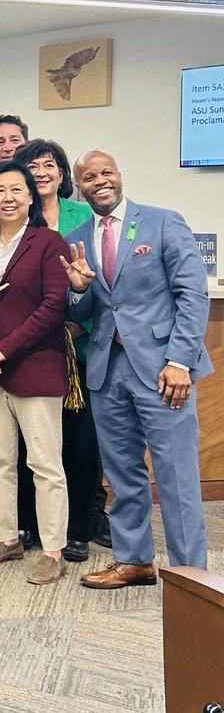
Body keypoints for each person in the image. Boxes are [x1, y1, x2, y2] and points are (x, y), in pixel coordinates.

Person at [61, 151, 214, 586]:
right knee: (123, 472)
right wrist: (77, 291)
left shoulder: (162, 222)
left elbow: (192, 296)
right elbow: (88, 307)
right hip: (108, 370)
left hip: (165, 371)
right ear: (80, 187)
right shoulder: (75, 237)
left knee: (176, 477)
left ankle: (191, 576)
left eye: (106, 173)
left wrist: (180, 362)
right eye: (89, 177)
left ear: (119, 177)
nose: (99, 181)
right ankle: (135, 559)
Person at [0, 161, 70, 585]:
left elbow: (52, 307)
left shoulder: (48, 242)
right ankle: (6, 539)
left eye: (17, 190)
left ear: (30, 198)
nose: (8, 197)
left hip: (35, 368)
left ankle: (53, 550)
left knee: (44, 464)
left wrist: (7, 348)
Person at [12, 139, 99, 562]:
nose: (42, 172)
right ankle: (29, 523)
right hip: (33, 347)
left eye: (50, 165)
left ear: (63, 175)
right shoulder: (13, 218)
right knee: (34, 443)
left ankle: (79, 528)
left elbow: (101, 277)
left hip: (78, 343)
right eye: (33, 166)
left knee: (79, 445)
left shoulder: (83, 215)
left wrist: (76, 324)